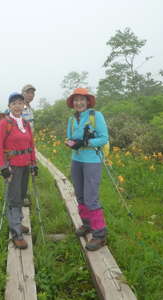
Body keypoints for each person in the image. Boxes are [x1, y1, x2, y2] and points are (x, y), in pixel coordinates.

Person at [64, 88, 109, 251]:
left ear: (88, 101)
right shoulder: (72, 119)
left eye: (82, 99)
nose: (79, 103)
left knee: (91, 197)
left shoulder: (96, 116)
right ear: (73, 103)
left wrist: (86, 143)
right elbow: (70, 137)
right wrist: (70, 142)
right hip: (76, 159)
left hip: (92, 160)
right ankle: (87, 224)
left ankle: (100, 234)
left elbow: (104, 138)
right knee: (80, 194)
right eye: (76, 100)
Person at [0, 92, 38, 249]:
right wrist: (3, 168)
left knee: (21, 195)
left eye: (20, 103)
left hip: (26, 164)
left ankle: (18, 223)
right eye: (14, 103)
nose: (17, 105)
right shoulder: (4, 123)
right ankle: (16, 234)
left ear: (23, 105)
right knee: (13, 199)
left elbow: (31, 145)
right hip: (12, 166)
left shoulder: (26, 124)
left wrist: (34, 163)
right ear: (9, 106)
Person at [21, 84, 36, 207]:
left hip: (29, 144)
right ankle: (22, 196)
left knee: (27, 169)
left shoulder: (30, 108)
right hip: (20, 144)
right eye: (28, 92)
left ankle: (24, 193)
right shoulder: (19, 106)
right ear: (23, 93)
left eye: (32, 93)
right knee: (20, 170)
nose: (30, 95)